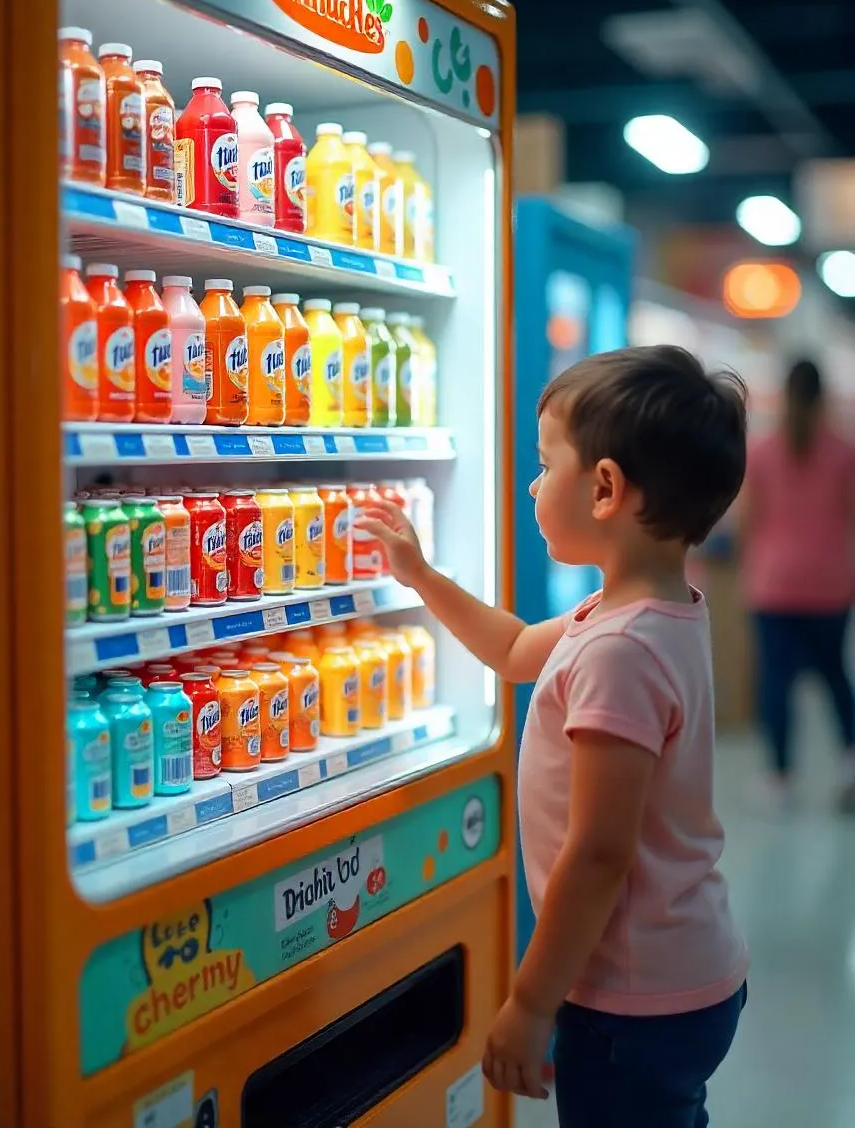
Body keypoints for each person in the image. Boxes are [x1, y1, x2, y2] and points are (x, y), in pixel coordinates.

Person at [357, 345, 749, 1127]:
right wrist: (423, 577)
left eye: (544, 465)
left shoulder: (621, 652)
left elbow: (598, 856)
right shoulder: (641, 612)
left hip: (632, 998)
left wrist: (532, 1003)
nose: (533, 484)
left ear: (604, 488)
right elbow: (510, 651)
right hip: (686, 966)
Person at [740, 358, 855, 813]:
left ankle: (780, 778)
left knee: (776, 681)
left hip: (773, 584)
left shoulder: (763, 451)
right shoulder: (844, 452)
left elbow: (749, 518)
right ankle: (849, 757)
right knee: (834, 674)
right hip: (830, 583)